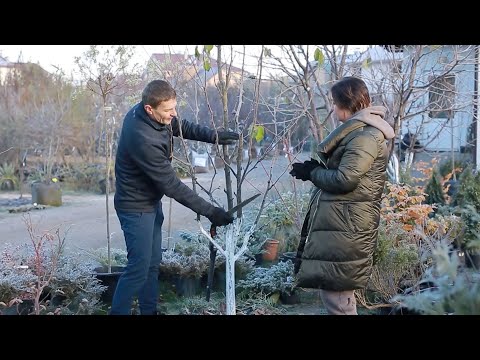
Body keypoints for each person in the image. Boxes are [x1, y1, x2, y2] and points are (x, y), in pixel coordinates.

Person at [110, 80, 239, 315]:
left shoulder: (153, 115)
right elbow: (172, 185)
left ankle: (149, 312)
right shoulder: (142, 137)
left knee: (151, 264)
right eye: (168, 110)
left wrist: (214, 136)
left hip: (149, 202)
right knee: (138, 268)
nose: (173, 114)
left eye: (174, 107)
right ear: (150, 109)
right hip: (135, 207)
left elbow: (179, 125)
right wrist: (212, 212)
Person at [289, 76, 395, 315]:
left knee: (338, 299)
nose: (333, 108)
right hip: (343, 223)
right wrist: (313, 170)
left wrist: (313, 173)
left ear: (347, 104)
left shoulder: (366, 136)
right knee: (337, 297)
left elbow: (345, 179)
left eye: (335, 103)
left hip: (347, 226)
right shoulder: (359, 132)